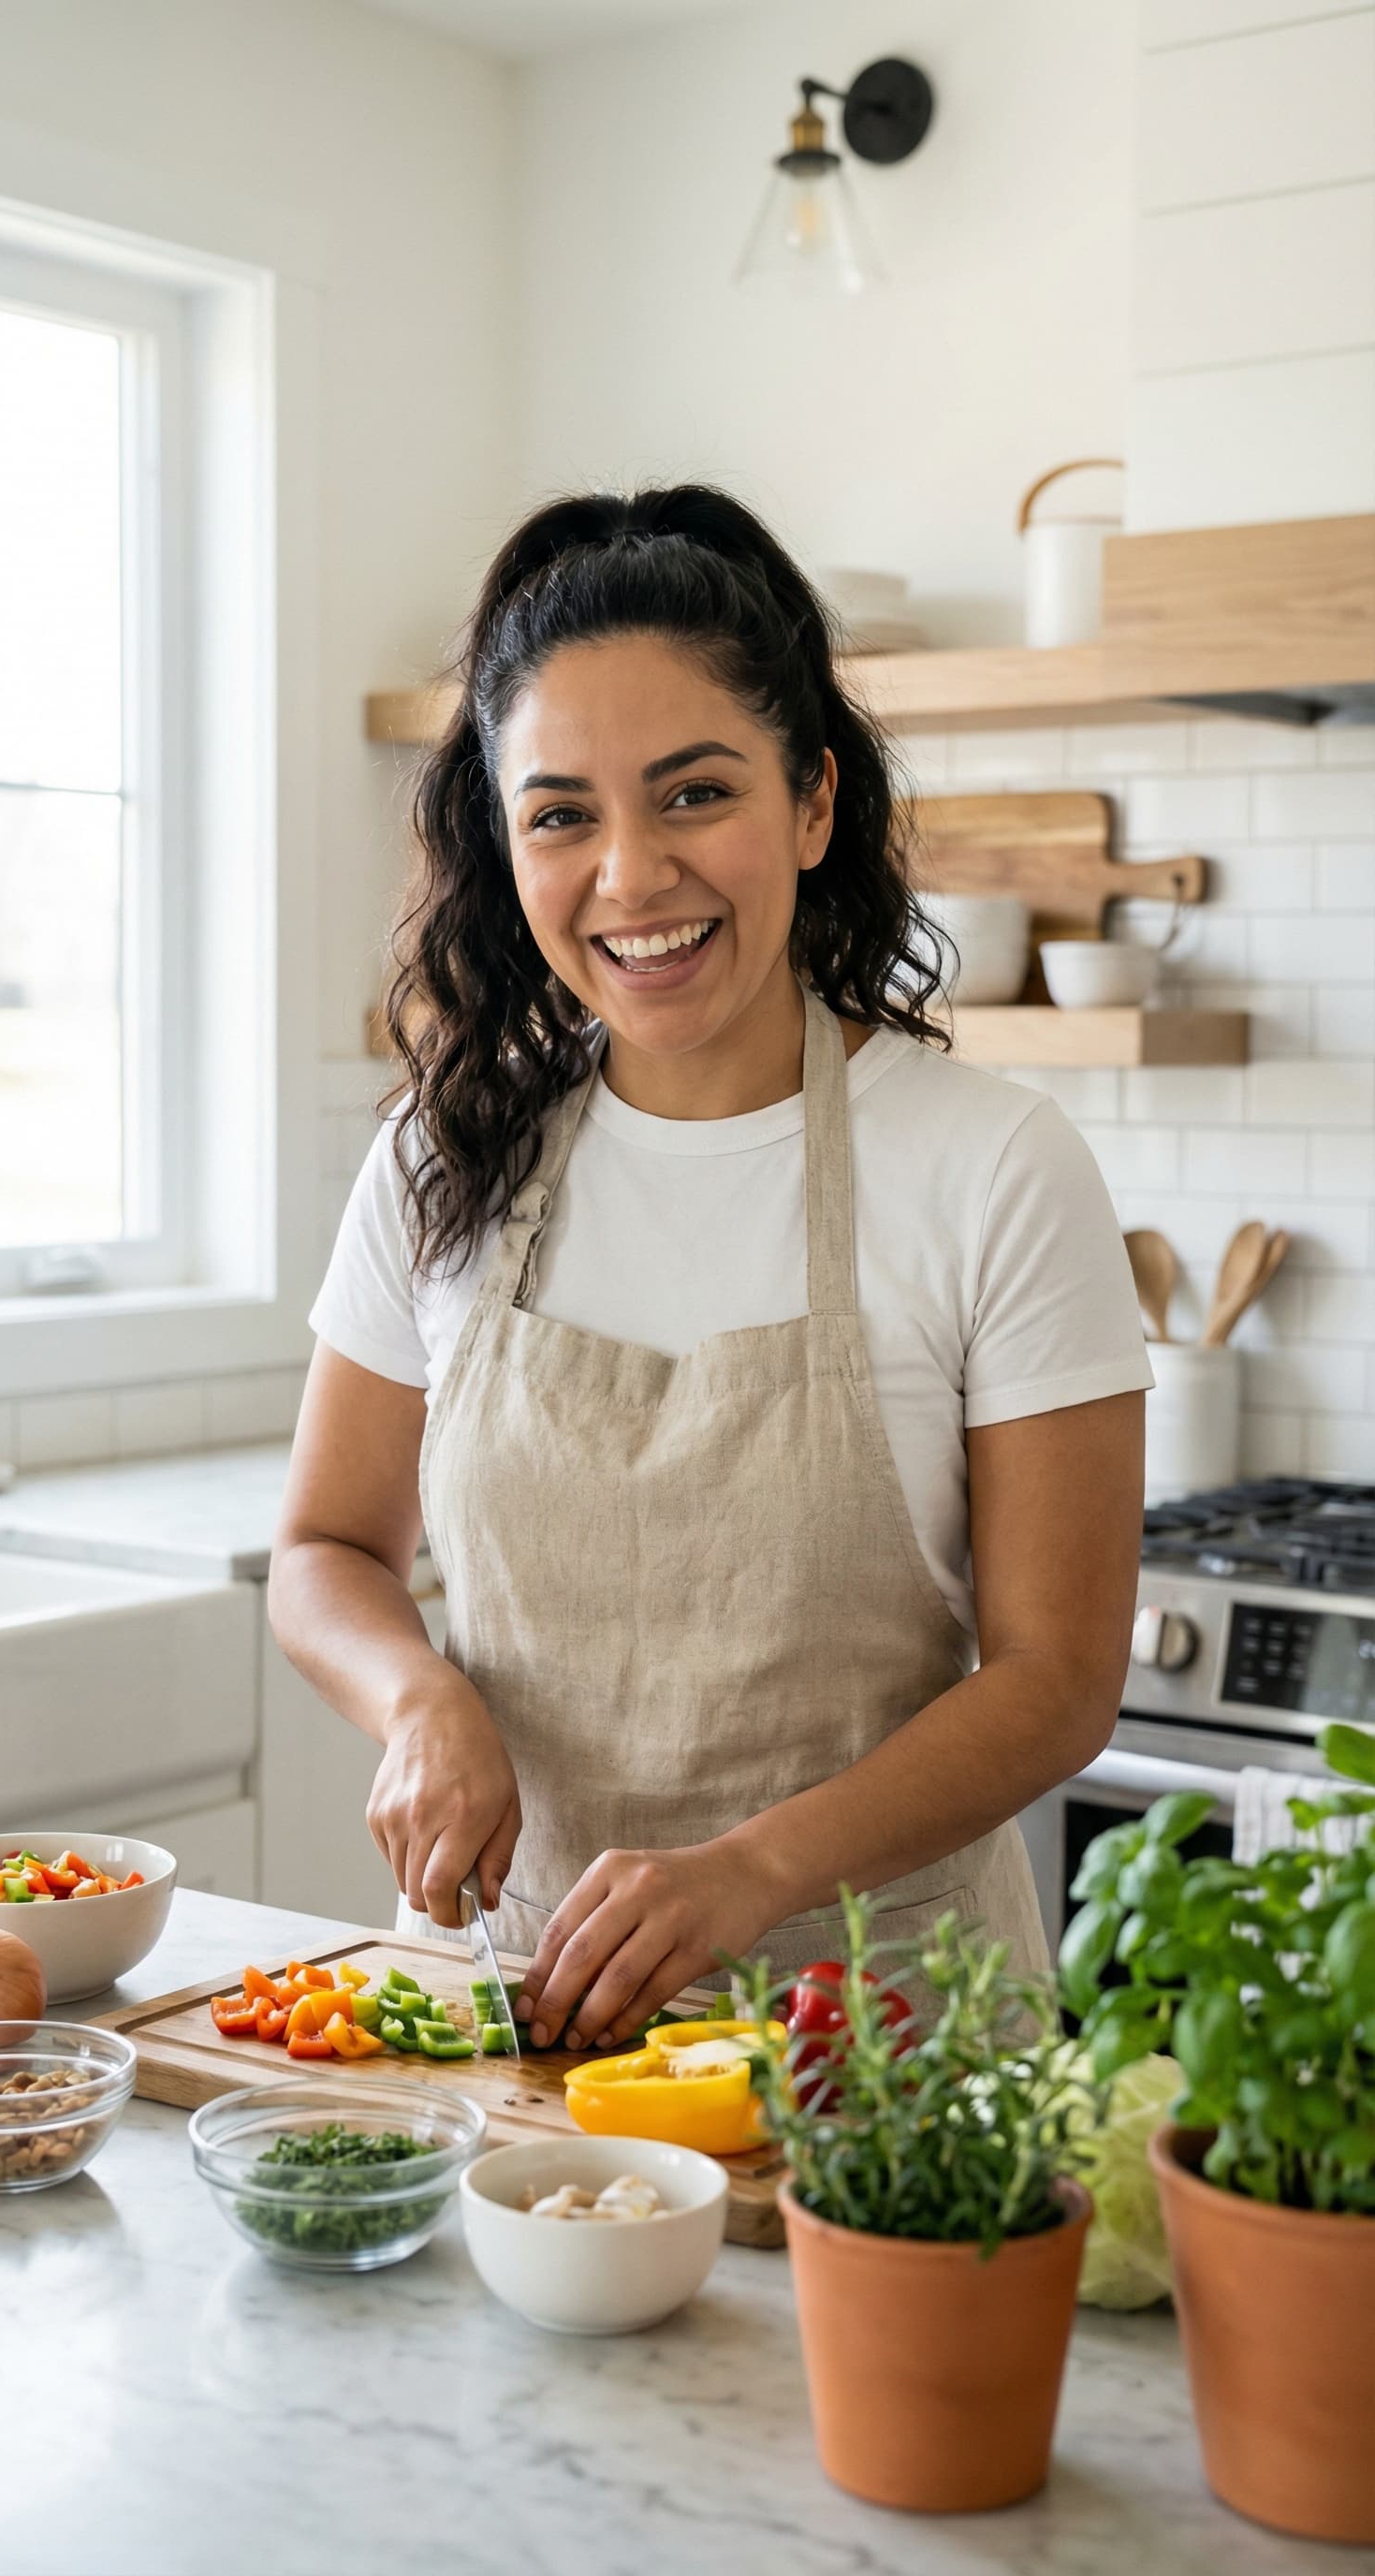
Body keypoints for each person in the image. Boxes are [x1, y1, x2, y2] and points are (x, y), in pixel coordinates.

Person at [270, 482, 1151, 2052]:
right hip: (501, 2019)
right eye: (562, 814)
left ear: (813, 804)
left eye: (692, 795)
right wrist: (418, 1700)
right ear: (505, 837)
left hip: (881, 2062)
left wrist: (752, 1873)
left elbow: (1058, 1678)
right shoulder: (440, 1153)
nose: (631, 876)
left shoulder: (993, 1165)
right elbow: (328, 1549)